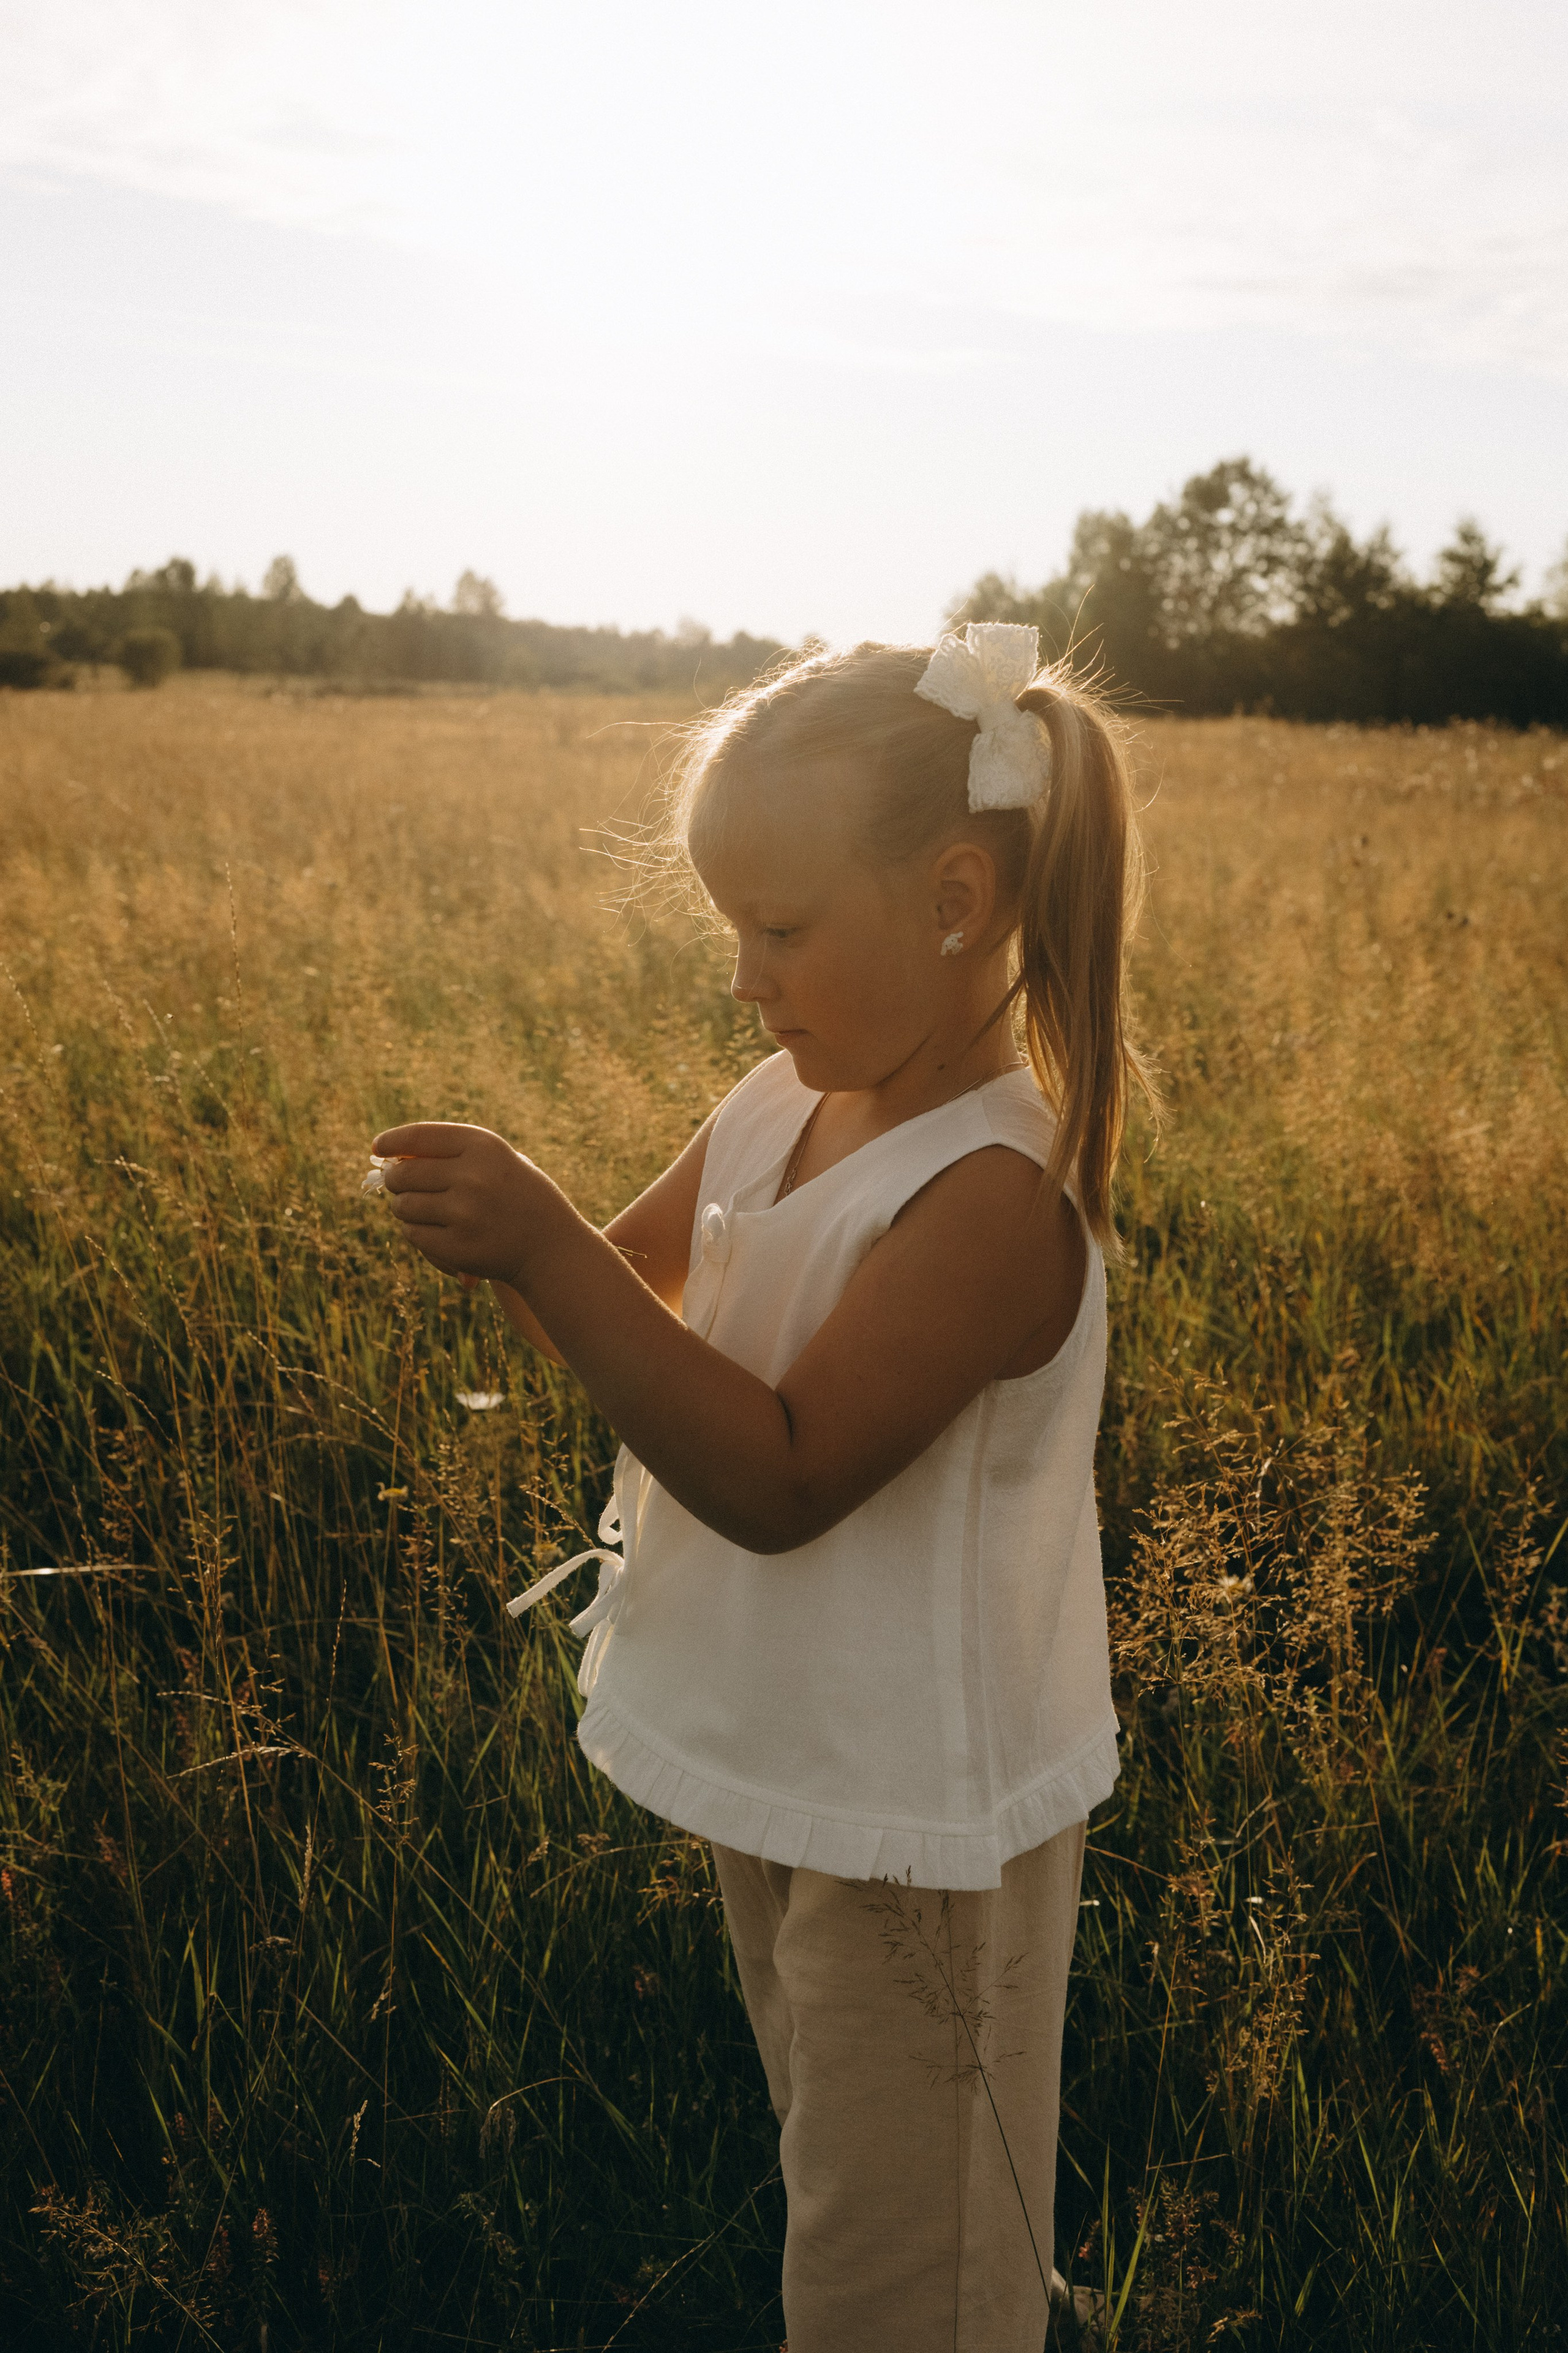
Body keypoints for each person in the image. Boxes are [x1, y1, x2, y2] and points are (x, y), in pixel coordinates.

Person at [371, 624, 1153, 2353]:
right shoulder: (777, 1104)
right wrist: (507, 1235)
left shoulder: (991, 1202)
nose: (744, 977)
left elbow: (784, 1473)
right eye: (735, 927)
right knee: (873, 2179)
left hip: (919, 1811)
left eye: (781, 929)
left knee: (890, 2285)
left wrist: (545, 1247)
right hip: (798, 1757)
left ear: (957, 899)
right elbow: (635, 1292)